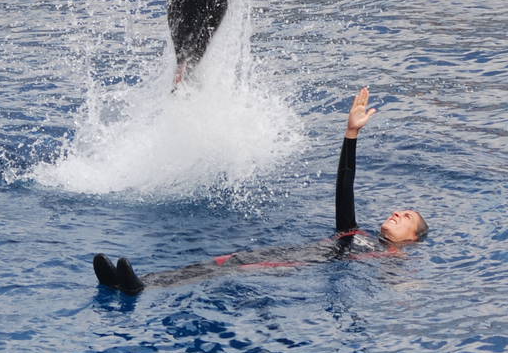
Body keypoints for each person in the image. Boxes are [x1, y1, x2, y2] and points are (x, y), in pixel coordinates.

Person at [93, 87, 428, 294]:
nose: (397, 213)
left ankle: (140, 287)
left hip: (286, 268)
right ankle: (133, 281)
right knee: (224, 261)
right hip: (278, 254)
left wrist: (405, 285)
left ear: (412, 238)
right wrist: (350, 133)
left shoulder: (391, 257)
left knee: (228, 268)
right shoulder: (353, 231)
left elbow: (395, 287)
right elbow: (344, 186)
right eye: (400, 211)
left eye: (407, 217)